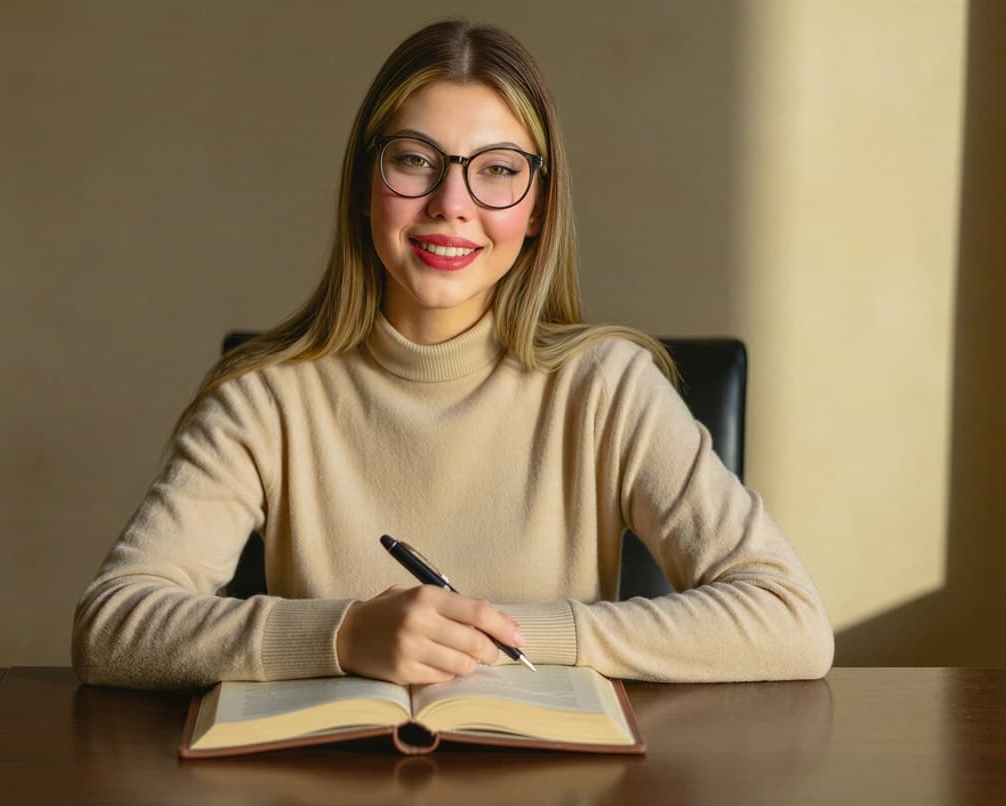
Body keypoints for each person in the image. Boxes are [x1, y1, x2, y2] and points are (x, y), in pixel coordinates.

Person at [72, 19, 833, 689]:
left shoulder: (607, 387)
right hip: (328, 780)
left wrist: (508, 636)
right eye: (414, 160)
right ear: (365, 186)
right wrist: (343, 635)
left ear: (538, 209)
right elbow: (112, 625)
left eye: (497, 169)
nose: (451, 204)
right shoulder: (263, 397)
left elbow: (789, 619)